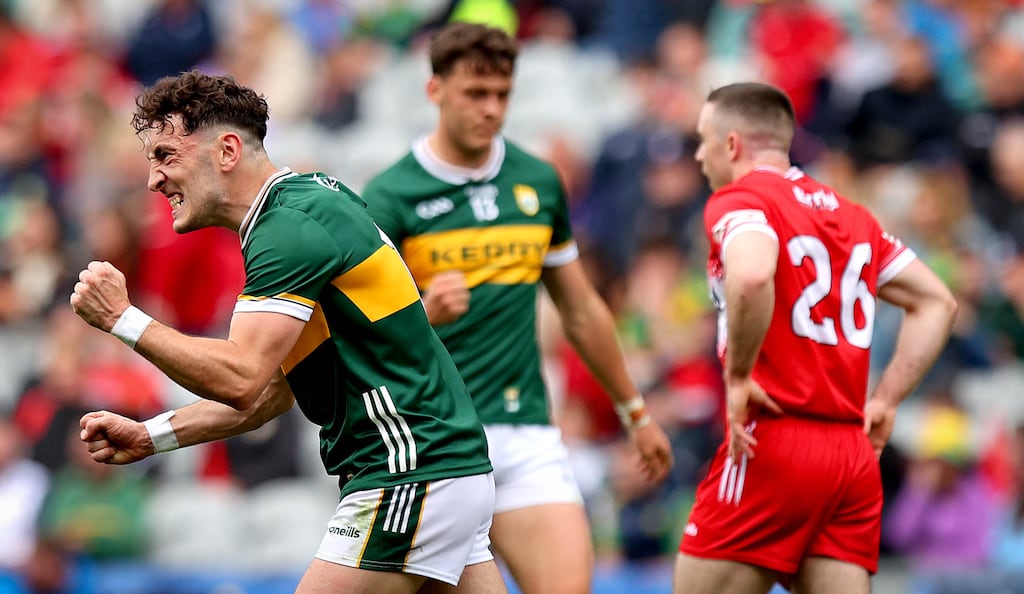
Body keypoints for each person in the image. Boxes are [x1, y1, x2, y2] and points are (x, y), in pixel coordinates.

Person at [69, 70, 507, 594]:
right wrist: (150, 435)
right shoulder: (298, 210)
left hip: (408, 470)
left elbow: (242, 379)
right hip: (442, 468)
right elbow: (272, 394)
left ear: (227, 150)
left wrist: (123, 318)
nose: (153, 180)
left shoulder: (288, 227)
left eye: (166, 156)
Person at [361, 22, 674, 594]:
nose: (491, 109)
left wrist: (636, 412)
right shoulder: (389, 197)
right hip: (434, 440)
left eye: (502, 94)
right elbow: (354, 336)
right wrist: (421, 313)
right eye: (474, 94)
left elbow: (580, 309)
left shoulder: (536, 183)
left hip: (527, 434)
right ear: (434, 91)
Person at [673, 82, 958, 594]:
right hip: (850, 456)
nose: (698, 154)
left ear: (732, 144)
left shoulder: (739, 201)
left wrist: (738, 375)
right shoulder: (852, 216)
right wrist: (888, 399)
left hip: (774, 441)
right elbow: (938, 301)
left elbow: (754, 272)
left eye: (703, 140)